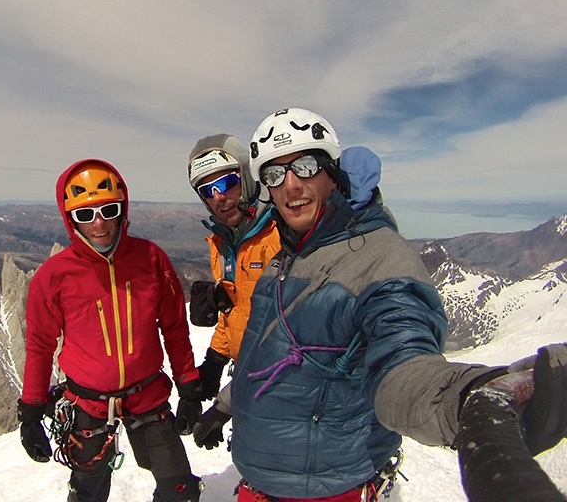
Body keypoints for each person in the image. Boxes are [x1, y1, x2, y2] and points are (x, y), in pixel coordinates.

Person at [229, 107, 567, 501]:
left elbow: (402, 362)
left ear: (331, 173)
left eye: (304, 166)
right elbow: (267, 352)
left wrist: (472, 399)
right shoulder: (285, 257)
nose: (290, 186)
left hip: (326, 491)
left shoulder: (381, 258)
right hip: (262, 484)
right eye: (274, 174)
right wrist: (226, 404)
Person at [17, 159, 204, 502]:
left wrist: (188, 384)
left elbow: (174, 326)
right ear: (71, 219)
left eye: (109, 209)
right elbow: (41, 345)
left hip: (147, 394)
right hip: (87, 402)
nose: (99, 223)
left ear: (122, 209)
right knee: (87, 492)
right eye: (86, 215)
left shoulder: (151, 258)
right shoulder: (54, 276)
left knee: (179, 489)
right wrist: (30, 409)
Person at [185, 134, 281, 450]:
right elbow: (236, 312)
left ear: (248, 178)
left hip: (281, 394)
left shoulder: (281, 238)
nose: (219, 197)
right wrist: (215, 360)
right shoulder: (226, 243)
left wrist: (226, 405)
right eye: (207, 191)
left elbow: (284, 348)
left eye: (227, 183)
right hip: (252, 386)